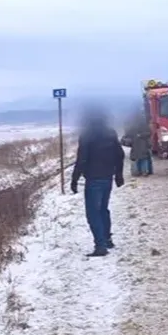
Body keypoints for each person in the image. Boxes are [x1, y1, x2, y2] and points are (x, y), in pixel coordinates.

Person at [70, 109, 126, 257]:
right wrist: (118, 175)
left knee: (93, 213)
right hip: (107, 177)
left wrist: (74, 179)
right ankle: (107, 239)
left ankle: (100, 246)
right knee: (103, 210)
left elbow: (81, 159)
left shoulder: (87, 135)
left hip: (93, 178)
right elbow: (119, 155)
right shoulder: (110, 133)